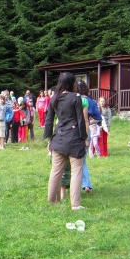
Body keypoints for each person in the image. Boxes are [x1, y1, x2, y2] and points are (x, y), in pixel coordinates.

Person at [43, 72, 88, 211]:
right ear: (72, 83)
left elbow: (49, 120)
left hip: (58, 138)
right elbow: (81, 120)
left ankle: (53, 201)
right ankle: (75, 204)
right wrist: (84, 138)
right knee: (76, 171)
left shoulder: (54, 98)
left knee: (56, 171)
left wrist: (49, 140)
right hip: (74, 139)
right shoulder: (76, 97)